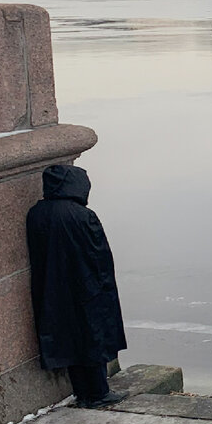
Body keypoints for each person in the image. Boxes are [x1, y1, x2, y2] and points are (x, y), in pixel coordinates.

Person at [26, 164, 128, 408]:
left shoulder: (36, 213)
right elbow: (99, 256)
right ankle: (98, 393)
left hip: (52, 288)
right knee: (93, 337)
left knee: (68, 338)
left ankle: (81, 391)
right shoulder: (83, 215)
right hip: (86, 287)